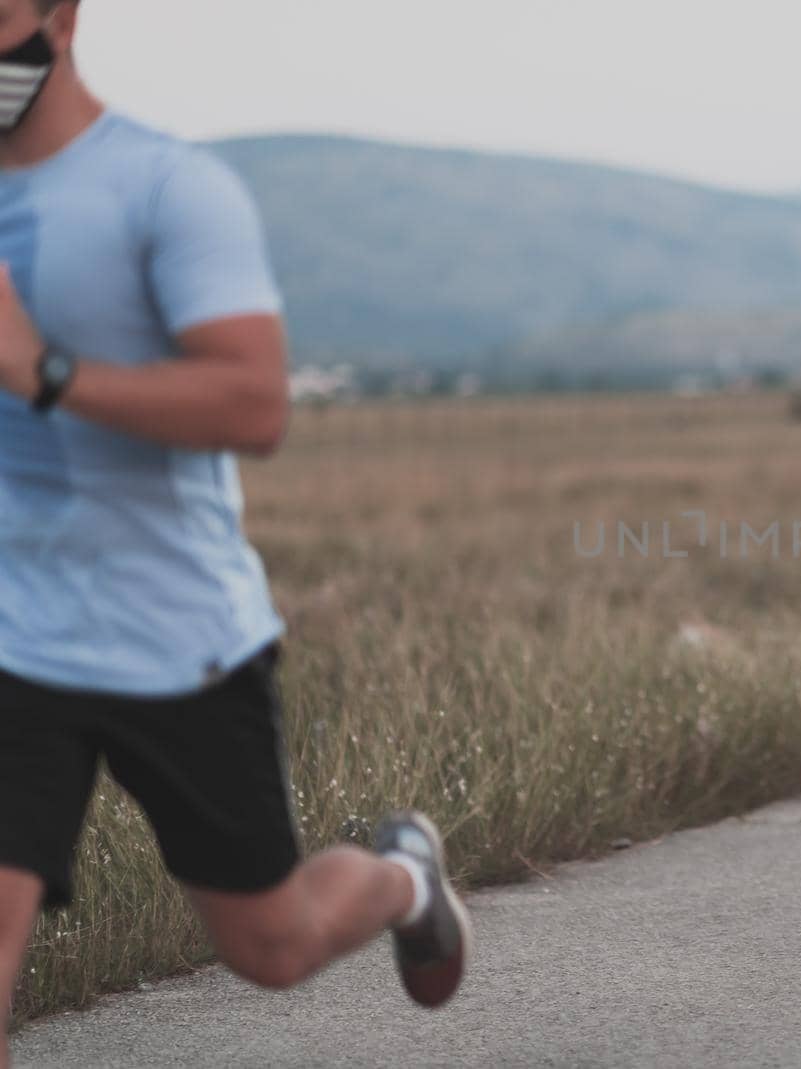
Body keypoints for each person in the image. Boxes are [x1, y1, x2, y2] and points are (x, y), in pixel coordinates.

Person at [0, 2, 469, 1052]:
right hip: (13, 638)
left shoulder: (165, 188)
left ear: (58, 17)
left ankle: (401, 876)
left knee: (273, 944)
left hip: (175, 638)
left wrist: (43, 370)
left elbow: (254, 406)